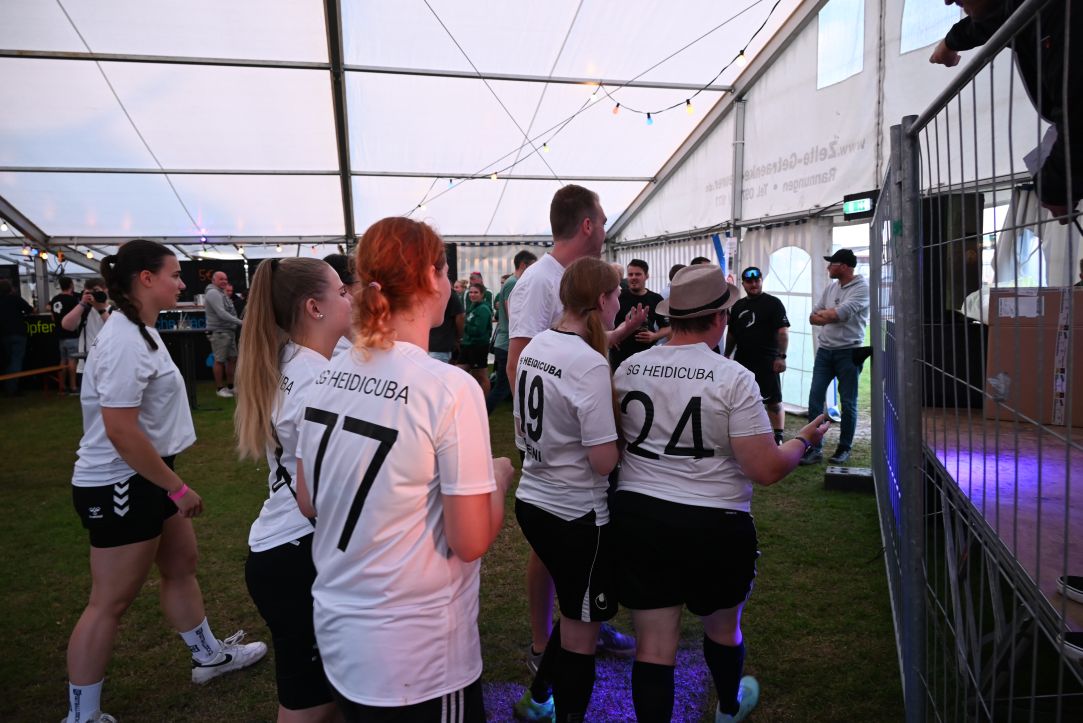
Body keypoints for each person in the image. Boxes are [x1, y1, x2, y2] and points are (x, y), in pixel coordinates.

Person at [295, 217, 514, 722]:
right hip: (418, 656)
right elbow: (471, 540)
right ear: (431, 279)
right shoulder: (449, 388)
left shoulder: (326, 373)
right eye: (445, 270)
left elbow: (308, 501)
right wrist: (499, 481)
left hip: (339, 631)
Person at [611, 264, 830, 723]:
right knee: (723, 630)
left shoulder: (629, 368)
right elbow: (765, 468)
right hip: (714, 523)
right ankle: (729, 707)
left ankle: (723, 705)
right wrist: (804, 439)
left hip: (640, 518)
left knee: (653, 647)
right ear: (718, 318)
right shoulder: (733, 378)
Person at [64, 240, 266, 723]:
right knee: (108, 603)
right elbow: (120, 431)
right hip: (119, 482)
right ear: (146, 279)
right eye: (174, 275)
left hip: (147, 473)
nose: (181, 283)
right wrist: (175, 488)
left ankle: (208, 657)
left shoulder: (141, 331)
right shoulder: (124, 340)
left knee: (181, 564)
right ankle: (81, 715)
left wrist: (167, 481)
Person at [506, 185, 645, 677]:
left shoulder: (571, 286)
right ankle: (546, 641)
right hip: (555, 450)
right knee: (551, 547)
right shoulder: (539, 281)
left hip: (563, 436)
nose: (606, 230)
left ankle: (584, 621)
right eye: (603, 221)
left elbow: (572, 345)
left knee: (566, 557)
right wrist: (536, 435)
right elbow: (519, 361)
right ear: (587, 225)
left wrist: (619, 333)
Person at [234, 257, 352, 722]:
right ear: (313, 308)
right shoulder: (318, 381)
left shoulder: (291, 361)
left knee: (333, 695)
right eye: (341, 291)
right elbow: (318, 498)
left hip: (282, 549)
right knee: (310, 707)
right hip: (296, 556)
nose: (351, 298)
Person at [514, 257, 623, 723]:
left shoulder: (539, 343)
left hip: (532, 501)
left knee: (575, 611)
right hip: (576, 515)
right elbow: (603, 462)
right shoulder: (589, 363)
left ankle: (538, 697)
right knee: (582, 635)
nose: (620, 304)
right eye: (616, 295)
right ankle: (552, 707)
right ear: (601, 299)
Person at [930, 0, 1082, 220]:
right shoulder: (1019, 10)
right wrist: (949, 42)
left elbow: (1076, 113)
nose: (948, 1)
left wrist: (1056, 186)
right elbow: (991, 21)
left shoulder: (1060, 10)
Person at [801, 249, 870, 465]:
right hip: (825, 351)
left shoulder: (862, 288)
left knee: (848, 403)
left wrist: (830, 314)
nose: (828, 267)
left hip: (848, 352)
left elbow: (838, 314)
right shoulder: (832, 287)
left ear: (845, 266)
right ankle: (814, 448)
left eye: (832, 263)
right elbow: (813, 317)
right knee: (814, 398)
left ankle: (844, 448)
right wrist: (830, 315)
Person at [724, 267, 791, 445]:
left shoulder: (773, 303)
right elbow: (732, 334)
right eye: (749, 282)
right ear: (743, 284)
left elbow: (783, 332)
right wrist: (726, 355)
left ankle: (778, 437)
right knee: (741, 400)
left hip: (767, 361)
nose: (754, 284)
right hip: (742, 361)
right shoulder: (738, 306)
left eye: (757, 280)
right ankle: (746, 434)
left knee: (773, 401)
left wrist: (781, 357)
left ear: (761, 280)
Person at [487, 250, 536, 413]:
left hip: (506, 342)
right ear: (523, 265)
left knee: (506, 386)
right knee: (503, 387)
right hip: (507, 343)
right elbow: (512, 313)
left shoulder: (512, 282)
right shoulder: (514, 282)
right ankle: (481, 414)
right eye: (532, 266)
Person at [610, 259, 670, 369]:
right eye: (630, 274)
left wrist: (654, 336)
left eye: (638, 274)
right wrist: (611, 336)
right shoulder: (617, 297)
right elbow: (603, 322)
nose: (633, 277)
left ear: (646, 276)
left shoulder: (656, 299)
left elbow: (668, 327)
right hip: (620, 358)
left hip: (646, 359)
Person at [61, 277, 112, 379]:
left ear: (105, 290)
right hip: (86, 364)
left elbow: (114, 328)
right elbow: (66, 325)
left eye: (96, 291)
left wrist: (100, 308)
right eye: (89, 292)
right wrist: (82, 303)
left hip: (109, 364)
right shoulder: (84, 311)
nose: (93, 295)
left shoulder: (114, 310)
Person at [204, 271, 242, 398]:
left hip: (228, 331)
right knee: (219, 360)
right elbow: (221, 313)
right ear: (213, 280)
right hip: (219, 332)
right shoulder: (213, 293)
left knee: (232, 359)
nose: (224, 281)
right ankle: (220, 389)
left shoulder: (221, 292)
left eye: (225, 279)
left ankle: (231, 387)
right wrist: (241, 322)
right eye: (221, 279)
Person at [0, 278, 33, 397]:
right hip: (18, 333)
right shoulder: (15, 298)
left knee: (8, 360)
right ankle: (12, 388)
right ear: (10, 289)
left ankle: (8, 386)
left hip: (4, 334)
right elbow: (30, 310)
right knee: (16, 361)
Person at [459, 282, 493, 395]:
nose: (472, 295)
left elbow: (479, 330)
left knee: (481, 376)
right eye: (471, 292)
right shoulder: (473, 307)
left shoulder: (483, 309)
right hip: (468, 345)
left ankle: (484, 402)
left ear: (482, 294)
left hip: (478, 346)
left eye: (476, 292)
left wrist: (466, 327)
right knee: (459, 370)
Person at [50, 275, 81, 395]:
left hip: (60, 335)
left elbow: (53, 317)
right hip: (71, 334)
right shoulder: (72, 300)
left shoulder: (55, 299)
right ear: (71, 285)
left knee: (63, 361)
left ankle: (62, 386)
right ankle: (73, 387)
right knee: (72, 360)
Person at [428, 289, 464, 363]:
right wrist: (459, 336)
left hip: (436, 344)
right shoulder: (449, 293)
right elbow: (460, 316)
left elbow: (460, 316)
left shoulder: (424, 291)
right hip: (437, 345)